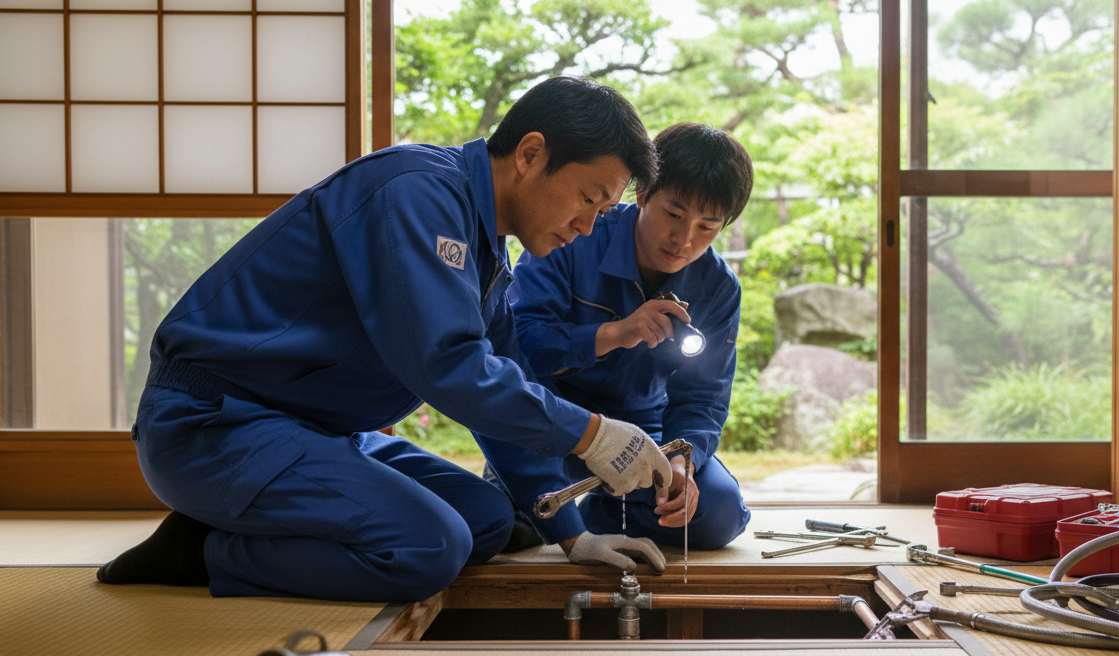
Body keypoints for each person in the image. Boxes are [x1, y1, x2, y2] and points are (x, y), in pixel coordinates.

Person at [96, 76, 676, 603]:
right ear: (530, 154)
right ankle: (200, 551)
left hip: (316, 432)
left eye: (603, 210)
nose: (588, 224)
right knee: (429, 549)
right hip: (215, 424)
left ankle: (245, 520)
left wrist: (573, 536)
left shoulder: (486, 251)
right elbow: (449, 364)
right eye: (589, 198)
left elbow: (504, 381)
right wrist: (591, 433)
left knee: (487, 518)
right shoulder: (416, 192)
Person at [507, 122, 754, 551]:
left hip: (647, 427)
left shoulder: (719, 287)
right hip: (555, 418)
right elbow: (518, 344)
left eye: (707, 227)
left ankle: (604, 511)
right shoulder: (573, 233)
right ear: (641, 193)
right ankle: (566, 503)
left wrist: (683, 458)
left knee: (716, 516)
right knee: (510, 527)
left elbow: (703, 397)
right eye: (674, 215)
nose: (684, 239)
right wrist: (614, 333)